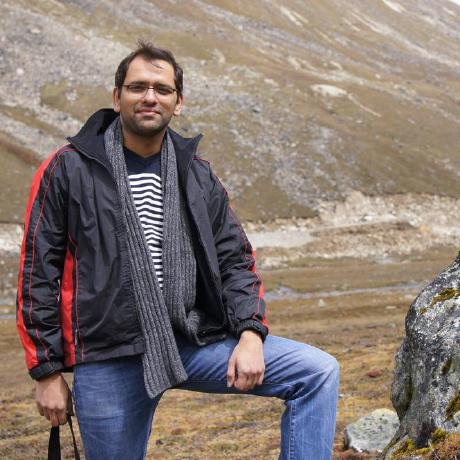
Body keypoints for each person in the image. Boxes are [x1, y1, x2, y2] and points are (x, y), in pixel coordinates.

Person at [16, 41, 339, 459]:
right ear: (117, 97)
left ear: (178, 102)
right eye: (137, 87)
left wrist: (250, 334)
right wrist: (46, 371)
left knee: (317, 374)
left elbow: (235, 260)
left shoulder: (197, 174)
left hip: (189, 339)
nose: (150, 97)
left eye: (162, 89)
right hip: (107, 354)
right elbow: (37, 273)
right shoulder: (68, 168)